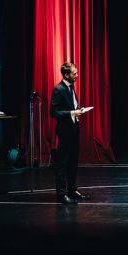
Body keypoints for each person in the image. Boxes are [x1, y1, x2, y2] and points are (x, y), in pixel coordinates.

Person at [49, 62, 89, 205]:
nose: (77, 76)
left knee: (73, 162)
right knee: (62, 163)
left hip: (74, 130)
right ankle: (61, 195)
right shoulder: (58, 89)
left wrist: (79, 110)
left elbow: (71, 106)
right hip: (65, 132)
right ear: (66, 75)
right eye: (74, 74)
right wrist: (72, 112)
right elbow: (53, 112)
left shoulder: (71, 88)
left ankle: (72, 190)